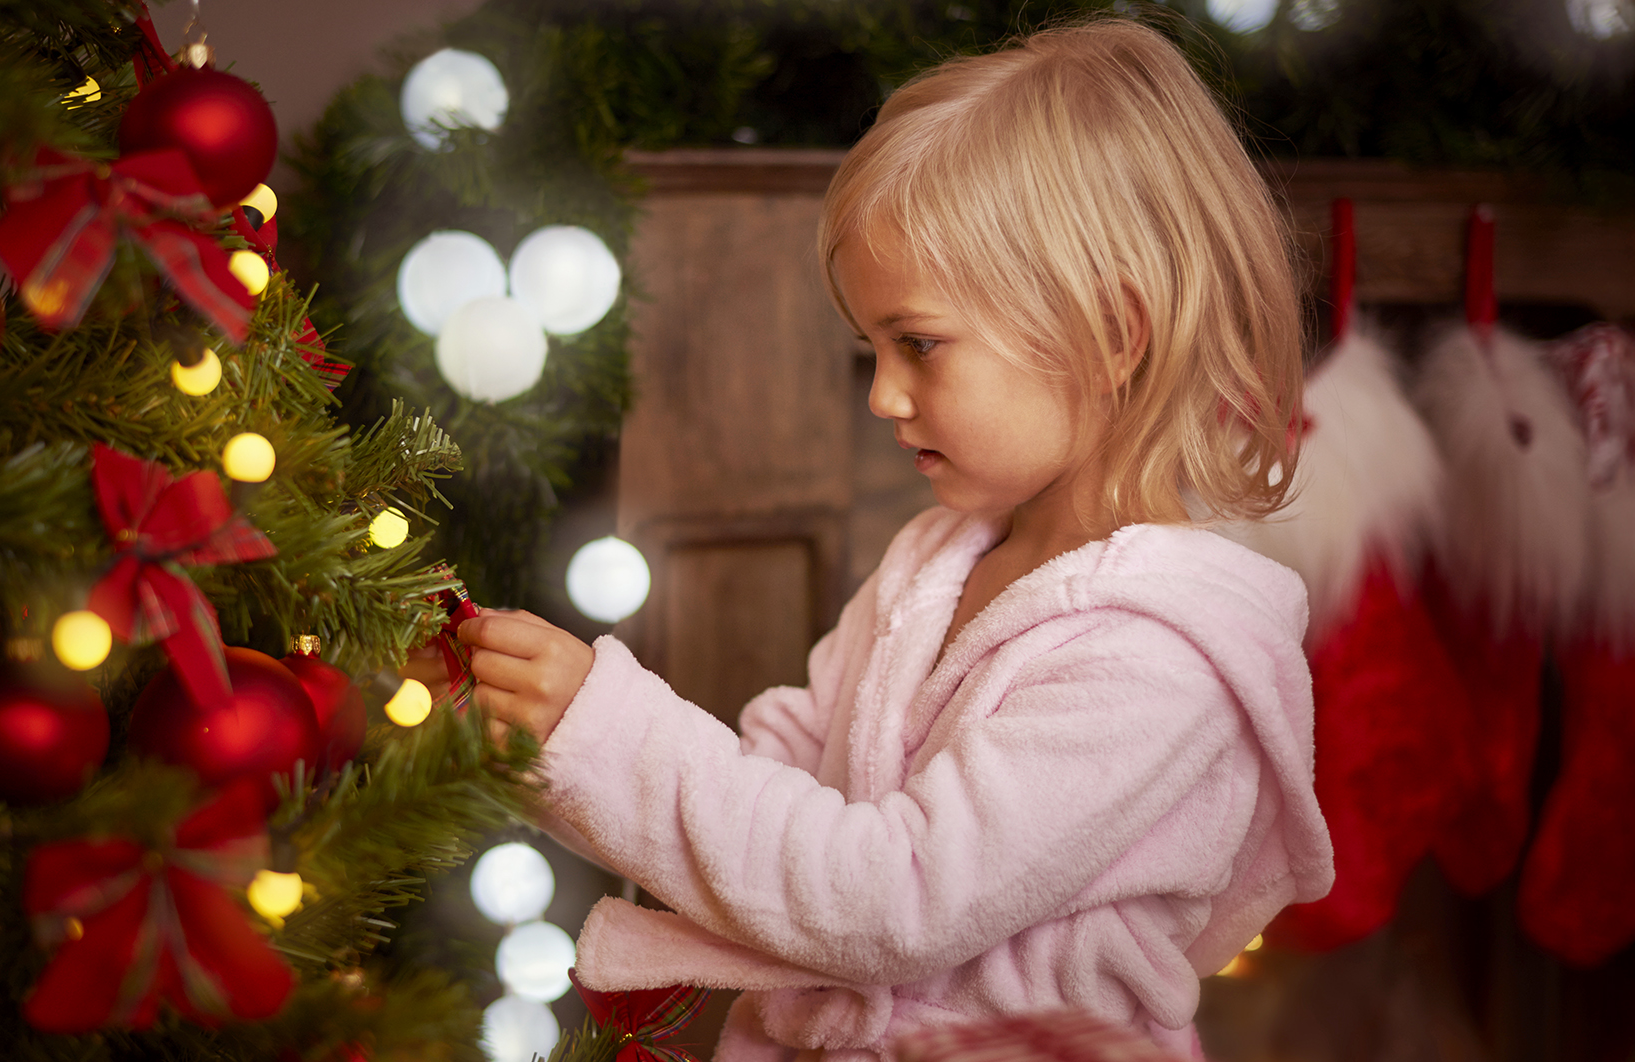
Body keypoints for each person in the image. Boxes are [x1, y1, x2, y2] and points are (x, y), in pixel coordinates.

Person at [443, 18, 1332, 1062]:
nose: (882, 395)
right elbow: (777, 784)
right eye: (870, 348)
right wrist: (542, 733)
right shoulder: (933, 560)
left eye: (917, 344)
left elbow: (889, 902)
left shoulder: (1156, 657)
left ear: (1109, 332)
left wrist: (605, 728)